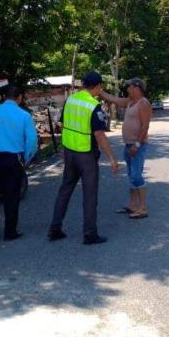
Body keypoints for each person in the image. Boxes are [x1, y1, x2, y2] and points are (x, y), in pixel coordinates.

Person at [48, 72, 118, 245]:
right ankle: (89, 234)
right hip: (85, 154)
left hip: (69, 152)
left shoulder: (71, 99)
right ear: (97, 86)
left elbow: (63, 124)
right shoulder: (93, 105)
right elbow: (99, 134)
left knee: (65, 189)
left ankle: (55, 228)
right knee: (90, 194)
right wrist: (112, 158)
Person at [0, 86, 37, 241]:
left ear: (5, 97)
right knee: (12, 195)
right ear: (19, 97)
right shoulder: (24, 115)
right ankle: (10, 231)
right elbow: (32, 140)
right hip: (14, 159)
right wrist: (26, 158)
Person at [100, 77, 152, 219]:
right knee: (131, 176)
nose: (127, 89)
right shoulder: (130, 102)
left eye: (128, 86)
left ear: (136, 87)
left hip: (137, 145)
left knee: (136, 176)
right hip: (128, 144)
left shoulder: (144, 103)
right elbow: (115, 99)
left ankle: (142, 208)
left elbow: (145, 126)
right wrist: (100, 91)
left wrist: (137, 144)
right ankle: (132, 205)